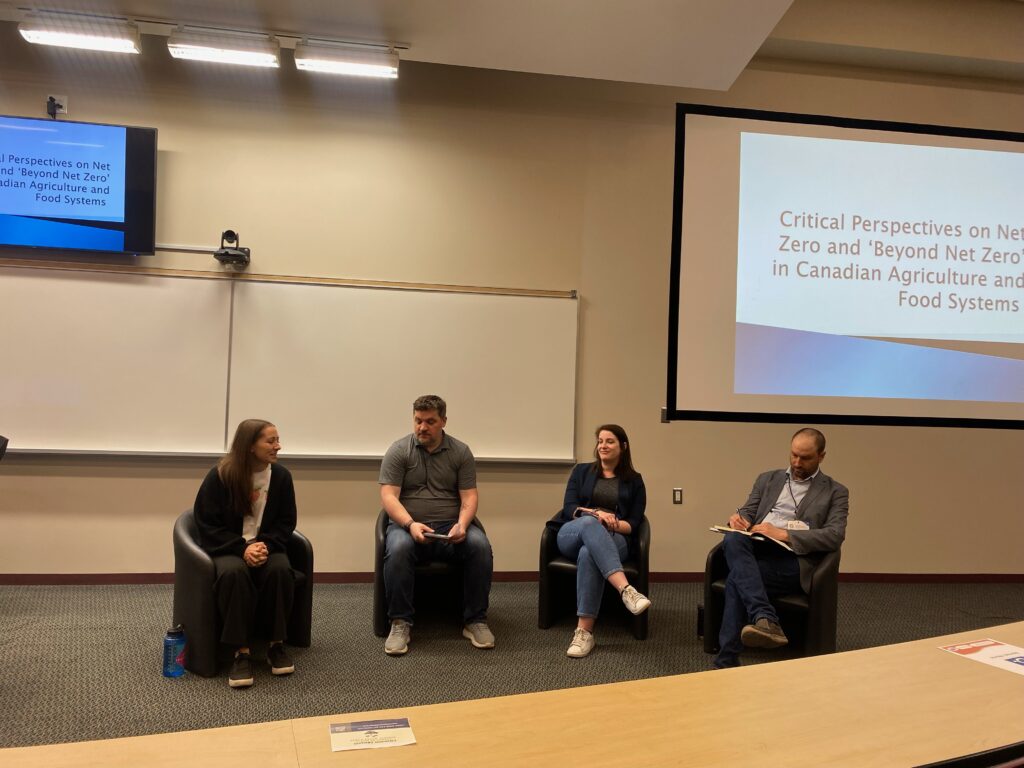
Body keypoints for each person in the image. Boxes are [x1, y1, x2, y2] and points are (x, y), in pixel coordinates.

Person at [713, 427, 849, 669]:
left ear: (822, 456)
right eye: (794, 455)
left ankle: (728, 659)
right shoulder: (768, 479)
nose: (797, 462)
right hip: (758, 549)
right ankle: (765, 618)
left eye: (805, 457)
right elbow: (748, 511)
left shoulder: (835, 491)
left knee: (736, 578)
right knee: (732, 539)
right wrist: (738, 519)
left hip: (794, 560)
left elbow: (834, 535)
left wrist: (784, 534)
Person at [379, 395, 494, 656]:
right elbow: (388, 496)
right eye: (418, 421)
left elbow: (469, 497)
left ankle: (475, 620)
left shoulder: (460, 452)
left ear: (443, 421)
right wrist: (409, 524)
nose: (423, 427)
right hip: (408, 525)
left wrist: (462, 525)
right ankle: (400, 622)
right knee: (397, 548)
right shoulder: (398, 450)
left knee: (479, 545)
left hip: (449, 527)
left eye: (430, 421)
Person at [192, 419, 298, 688]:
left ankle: (276, 644)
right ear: (250, 446)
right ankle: (241, 652)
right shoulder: (221, 476)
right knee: (234, 574)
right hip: (228, 547)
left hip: (266, 545)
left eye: (277, 440)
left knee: (279, 570)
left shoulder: (282, 477)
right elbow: (206, 523)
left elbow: (286, 522)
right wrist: (243, 548)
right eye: (270, 441)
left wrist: (265, 545)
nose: (278, 446)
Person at [549, 424, 650, 658]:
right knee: (590, 524)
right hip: (573, 533)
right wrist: (597, 515)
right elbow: (569, 508)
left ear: (623, 446)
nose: (603, 446)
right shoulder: (582, 471)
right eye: (600, 441)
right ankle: (626, 590)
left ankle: (584, 633)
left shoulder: (634, 481)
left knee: (589, 553)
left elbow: (633, 523)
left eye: (610, 441)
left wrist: (610, 524)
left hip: (615, 538)